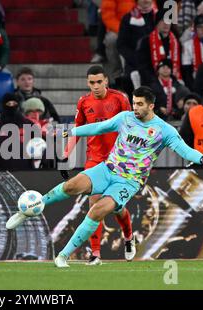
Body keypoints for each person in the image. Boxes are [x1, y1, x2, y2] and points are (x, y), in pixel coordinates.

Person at [6, 86, 203, 267]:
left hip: (129, 181)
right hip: (107, 169)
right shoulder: (125, 118)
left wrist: (201, 159)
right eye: (134, 102)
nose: (135, 107)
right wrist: (70, 131)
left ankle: (63, 255)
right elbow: (99, 127)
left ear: (150, 105)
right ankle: (30, 210)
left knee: (97, 210)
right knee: (72, 186)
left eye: (140, 104)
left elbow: (182, 149)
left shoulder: (164, 130)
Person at [57, 65, 134, 265]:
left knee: (119, 209)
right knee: (94, 204)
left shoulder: (120, 99)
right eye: (92, 82)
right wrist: (66, 156)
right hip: (95, 159)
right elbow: (77, 131)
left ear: (106, 81)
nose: (96, 86)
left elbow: (132, 128)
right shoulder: (84, 102)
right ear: (87, 83)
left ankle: (128, 237)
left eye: (99, 82)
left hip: (118, 161)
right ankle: (96, 253)